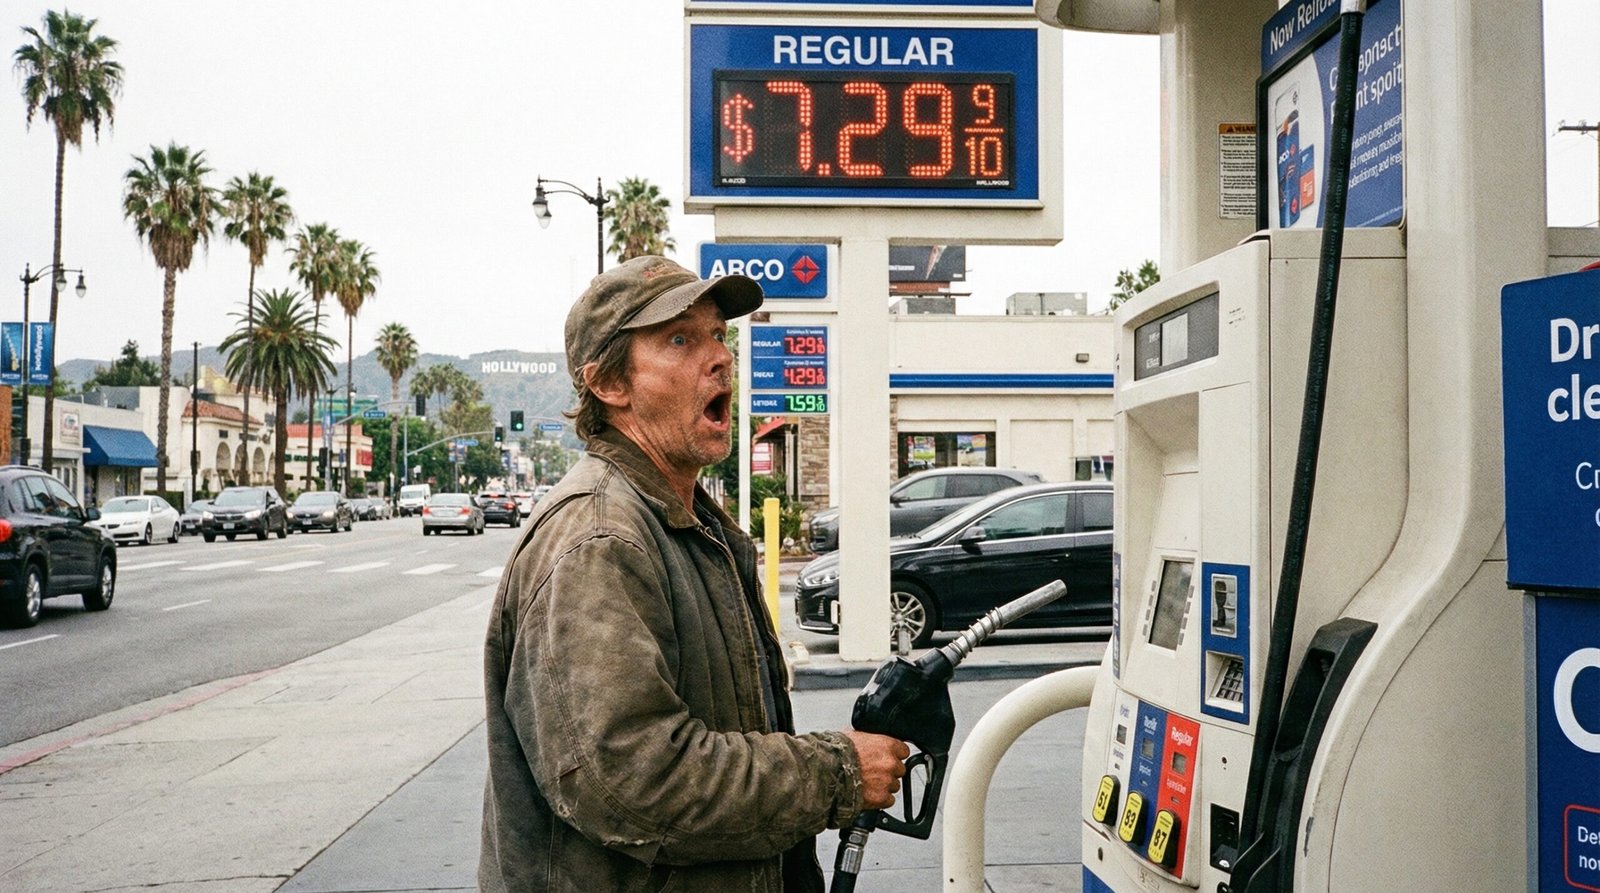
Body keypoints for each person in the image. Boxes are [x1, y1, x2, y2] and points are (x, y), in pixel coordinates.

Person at [480, 256, 910, 892]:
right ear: (609, 384)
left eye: (717, 334)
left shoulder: (689, 523)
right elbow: (634, 780)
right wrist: (837, 771)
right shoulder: (600, 539)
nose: (720, 357)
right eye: (680, 340)